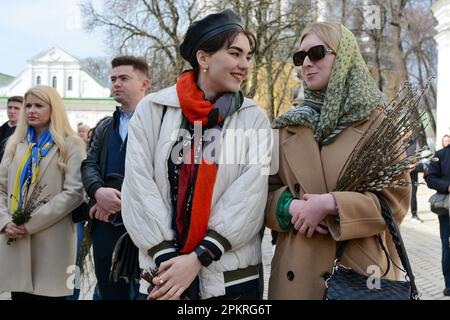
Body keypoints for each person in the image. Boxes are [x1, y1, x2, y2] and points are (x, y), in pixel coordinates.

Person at [121, 9, 271, 300]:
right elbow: (138, 185)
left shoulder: (253, 117)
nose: (245, 65)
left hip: (229, 280)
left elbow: (250, 195)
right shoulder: (153, 109)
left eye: (248, 56)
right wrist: (168, 261)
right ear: (203, 58)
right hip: (162, 276)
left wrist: (198, 258)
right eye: (235, 54)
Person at [265, 22, 411, 299]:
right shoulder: (285, 127)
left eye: (317, 53)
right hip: (296, 277)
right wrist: (289, 206)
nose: (306, 63)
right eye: (300, 57)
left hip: (358, 278)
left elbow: (397, 202)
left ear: (343, 56)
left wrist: (333, 205)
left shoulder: (377, 122)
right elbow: (263, 195)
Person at [0, 86, 85, 300]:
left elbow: (74, 193)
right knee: (19, 295)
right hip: (15, 240)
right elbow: (1, 187)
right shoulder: (15, 144)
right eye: (28, 105)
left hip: (51, 240)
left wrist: (29, 224)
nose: (31, 110)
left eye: (39, 105)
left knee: (49, 295)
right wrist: (5, 221)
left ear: (53, 108)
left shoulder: (71, 145)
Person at [81, 56, 149, 300]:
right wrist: (98, 192)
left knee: (145, 293)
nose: (116, 83)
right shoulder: (105, 126)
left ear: (144, 84)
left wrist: (119, 199)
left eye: (124, 78)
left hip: (145, 225)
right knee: (110, 293)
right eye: (113, 79)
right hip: (105, 225)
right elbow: (89, 164)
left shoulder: (160, 122)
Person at [425, 133, 450, 297]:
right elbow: (430, 178)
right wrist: (447, 187)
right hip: (447, 209)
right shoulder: (441, 155)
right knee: (448, 245)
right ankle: (449, 283)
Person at [0, 96, 23, 161]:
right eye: (9, 107)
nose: (12, 111)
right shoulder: (2, 129)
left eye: (17, 108)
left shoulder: (28, 132)